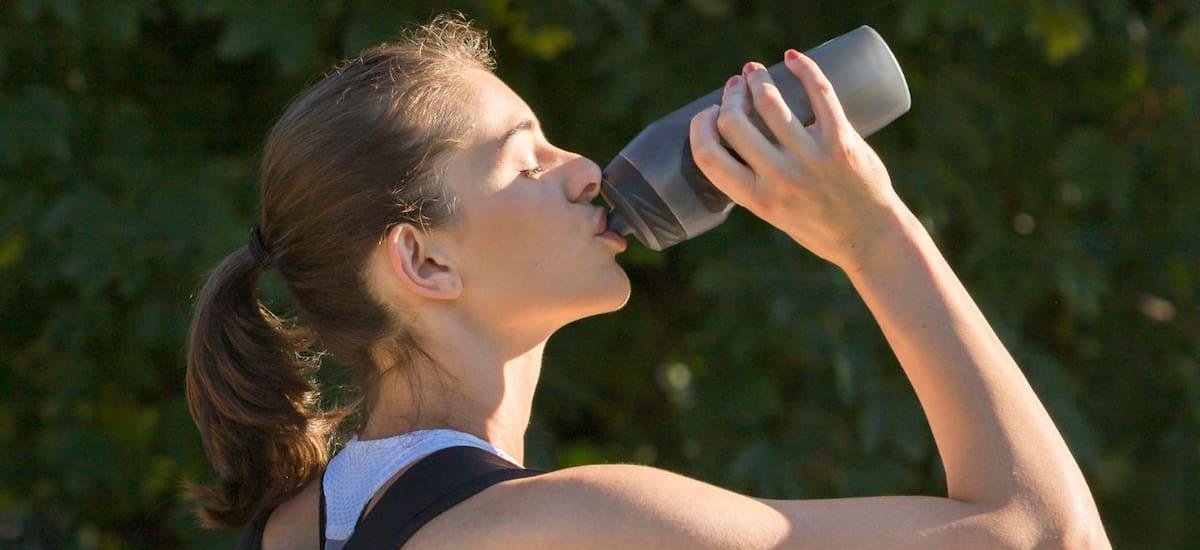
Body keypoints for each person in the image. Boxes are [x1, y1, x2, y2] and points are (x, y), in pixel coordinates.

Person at [183, 11, 1110, 549]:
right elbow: (1049, 538)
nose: (583, 168)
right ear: (423, 261)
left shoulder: (299, 527)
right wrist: (872, 233)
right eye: (526, 160)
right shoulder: (575, 523)